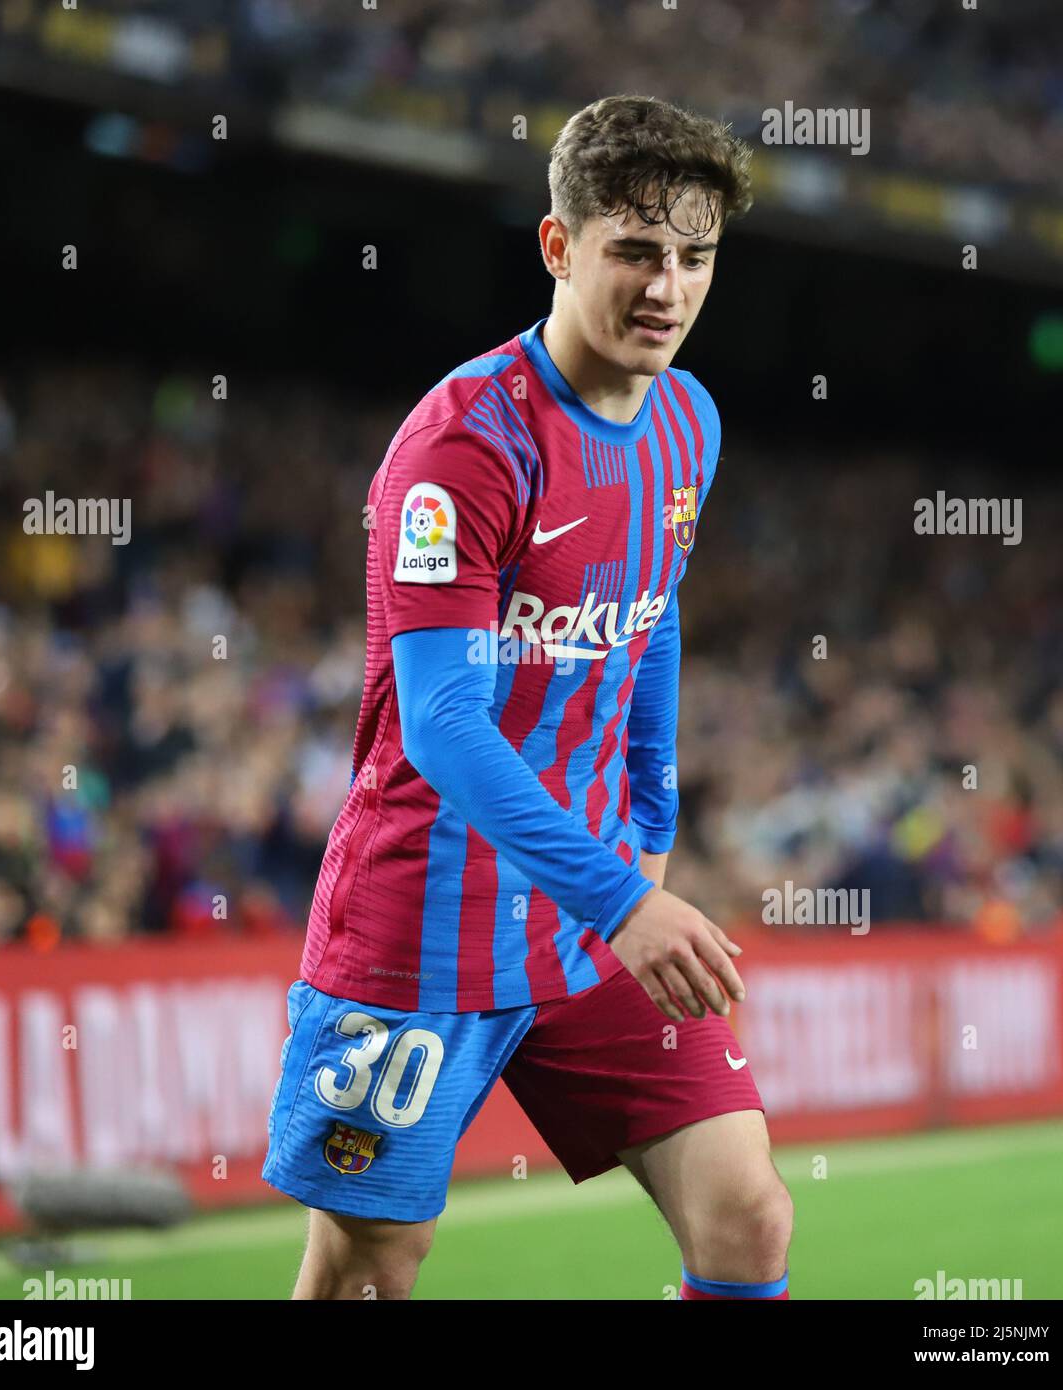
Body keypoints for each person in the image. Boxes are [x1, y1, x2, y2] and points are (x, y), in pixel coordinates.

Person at [263, 94, 794, 1301]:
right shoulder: (465, 447)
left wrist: (647, 831)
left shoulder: (687, 423)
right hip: (423, 923)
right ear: (559, 247)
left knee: (747, 1214)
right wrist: (624, 900)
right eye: (635, 252)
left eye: (694, 258)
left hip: (586, 914)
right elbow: (445, 724)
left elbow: (646, 619)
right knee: (365, 1274)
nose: (667, 287)